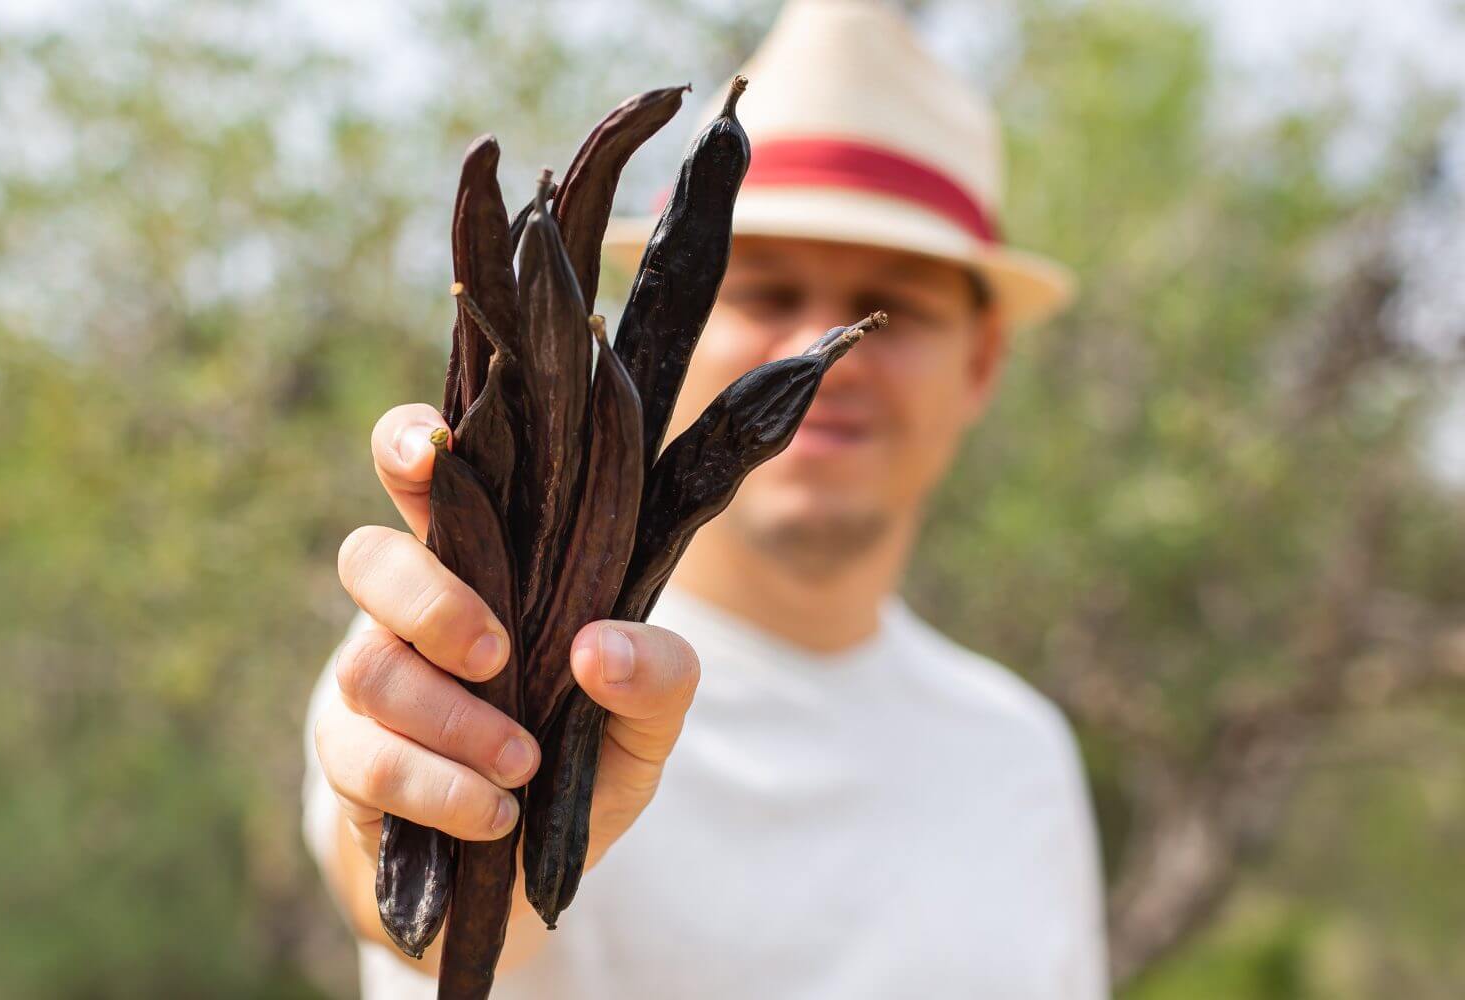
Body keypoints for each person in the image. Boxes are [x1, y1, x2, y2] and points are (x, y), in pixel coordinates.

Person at [302, 1, 1107, 996]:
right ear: (664, 296)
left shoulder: (1020, 758)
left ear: (981, 360)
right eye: (765, 291)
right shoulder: (443, 657)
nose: (824, 349)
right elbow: (413, 920)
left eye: (888, 309)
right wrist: (461, 832)